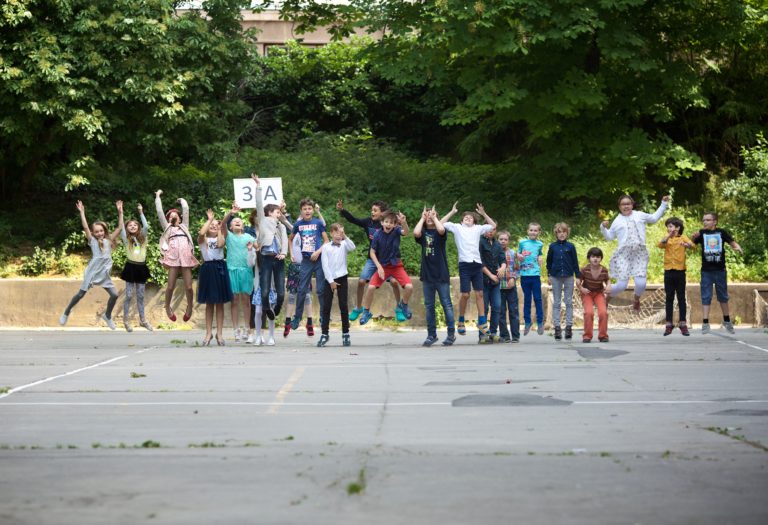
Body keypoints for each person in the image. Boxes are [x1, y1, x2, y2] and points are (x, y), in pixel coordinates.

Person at [60, 200, 122, 329]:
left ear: (104, 231)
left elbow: (120, 228)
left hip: (104, 273)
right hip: (93, 272)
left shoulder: (109, 240)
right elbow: (85, 227)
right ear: (93, 233)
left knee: (115, 295)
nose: (99, 233)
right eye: (97, 231)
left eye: (101, 231)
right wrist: (82, 212)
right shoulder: (92, 241)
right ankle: (66, 311)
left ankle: (107, 316)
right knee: (80, 294)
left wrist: (120, 212)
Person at [336, 199, 403, 321]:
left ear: (382, 213)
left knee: (393, 282)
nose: (372, 212)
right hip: (372, 259)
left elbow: (399, 228)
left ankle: (399, 307)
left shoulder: (387, 224)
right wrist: (342, 210)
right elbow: (353, 219)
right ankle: (358, 307)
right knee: (361, 281)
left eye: (375, 210)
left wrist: (401, 221)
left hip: (387, 260)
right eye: (372, 210)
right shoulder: (368, 222)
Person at [601, 194, 670, 310]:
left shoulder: (639, 215)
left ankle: (636, 299)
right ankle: (606, 296)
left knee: (641, 284)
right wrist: (603, 228)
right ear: (619, 207)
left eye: (628, 204)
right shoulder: (617, 221)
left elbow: (653, 218)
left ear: (632, 205)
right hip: (624, 255)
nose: (626, 206)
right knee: (621, 285)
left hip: (639, 254)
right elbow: (609, 237)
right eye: (623, 204)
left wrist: (663, 204)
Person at [440, 201, 497, 340]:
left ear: (474, 221)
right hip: (464, 265)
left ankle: (482, 322)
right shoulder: (457, 227)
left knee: (480, 294)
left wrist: (483, 213)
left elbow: (493, 226)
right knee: (465, 294)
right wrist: (452, 212)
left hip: (476, 264)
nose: (468, 218)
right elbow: (440, 223)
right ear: (462, 219)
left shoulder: (478, 228)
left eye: (471, 217)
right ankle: (460, 320)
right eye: (465, 217)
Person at [691, 212, 743, 334]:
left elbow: (732, 242)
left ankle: (727, 321)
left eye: (708, 220)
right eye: (704, 220)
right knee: (706, 296)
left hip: (720, 270)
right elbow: (692, 245)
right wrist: (693, 237)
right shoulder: (701, 233)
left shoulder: (721, 232)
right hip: (706, 271)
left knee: (723, 296)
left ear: (715, 222)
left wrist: (738, 247)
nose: (705, 222)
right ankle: (705, 323)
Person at [359, 211, 413, 325]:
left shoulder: (397, 230)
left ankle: (403, 305)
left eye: (391, 223)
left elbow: (406, 232)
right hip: (383, 266)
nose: (389, 224)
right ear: (382, 222)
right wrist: (378, 266)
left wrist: (404, 222)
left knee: (409, 287)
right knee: (370, 288)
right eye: (386, 222)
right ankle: (366, 312)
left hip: (396, 265)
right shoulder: (377, 235)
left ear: (394, 224)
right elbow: (372, 252)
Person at [413, 206, 456, 347]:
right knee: (429, 306)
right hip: (427, 276)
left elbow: (442, 229)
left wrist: (434, 217)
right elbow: (416, 232)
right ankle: (432, 335)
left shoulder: (440, 233)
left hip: (441, 274)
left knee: (446, 305)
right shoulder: (423, 232)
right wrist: (422, 218)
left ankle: (451, 334)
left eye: (434, 215)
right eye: (428, 216)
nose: (430, 217)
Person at [155, 189, 199, 322]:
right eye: (170, 216)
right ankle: (167, 307)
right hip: (173, 258)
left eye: (176, 215)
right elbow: (159, 212)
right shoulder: (167, 227)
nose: (173, 217)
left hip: (185, 257)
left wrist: (183, 202)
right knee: (170, 286)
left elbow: (186, 211)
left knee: (189, 287)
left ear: (180, 218)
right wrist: (157, 196)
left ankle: (190, 307)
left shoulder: (184, 226)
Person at [289, 198, 329, 334]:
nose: (307, 211)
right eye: (305, 209)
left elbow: (326, 241)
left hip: (318, 260)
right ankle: (298, 317)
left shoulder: (318, 223)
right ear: (301, 211)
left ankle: (324, 316)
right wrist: (291, 253)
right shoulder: (298, 225)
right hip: (306, 261)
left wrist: (318, 252)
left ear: (313, 210)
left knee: (321, 290)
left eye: (309, 209)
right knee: (301, 289)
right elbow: (290, 239)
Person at [197, 209, 233, 346]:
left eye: (215, 225)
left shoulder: (221, 237)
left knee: (220, 304)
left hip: (219, 269)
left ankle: (219, 333)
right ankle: (208, 333)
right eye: (210, 225)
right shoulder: (202, 239)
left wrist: (219, 228)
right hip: (208, 269)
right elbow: (201, 232)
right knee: (209, 304)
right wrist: (210, 220)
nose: (213, 226)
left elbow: (219, 244)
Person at [222, 202, 257, 342]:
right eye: (235, 221)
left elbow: (259, 247)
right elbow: (222, 223)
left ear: (243, 226)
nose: (237, 222)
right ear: (231, 226)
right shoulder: (228, 236)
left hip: (246, 271)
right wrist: (231, 212)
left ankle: (248, 329)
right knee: (234, 300)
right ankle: (236, 329)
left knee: (246, 301)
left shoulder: (249, 237)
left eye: (239, 221)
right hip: (232, 270)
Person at [318, 223, 356, 347]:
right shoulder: (326, 247)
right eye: (336, 232)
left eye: (341, 232)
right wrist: (331, 281)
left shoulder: (345, 244)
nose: (338, 235)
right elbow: (325, 265)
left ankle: (346, 334)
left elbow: (353, 247)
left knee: (343, 306)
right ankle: (324, 334)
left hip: (342, 277)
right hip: (329, 279)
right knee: (326, 307)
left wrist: (345, 235)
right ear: (331, 233)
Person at [119, 202, 153, 332]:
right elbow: (121, 226)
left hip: (141, 268)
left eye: (134, 225)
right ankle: (126, 320)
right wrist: (120, 212)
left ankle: (143, 320)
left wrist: (141, 212)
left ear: (138, 227)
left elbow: (146, 226)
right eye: (129, 225)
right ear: (127, 228)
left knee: (140, 295)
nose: (132, 226)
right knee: (128, 295)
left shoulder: (143, 237)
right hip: (130, 267)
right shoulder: (125, 238)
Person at [658, 217, 694, 336]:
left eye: (671, 226)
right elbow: (660, 244)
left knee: (681, 298)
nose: (669, 228)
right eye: (668, 226)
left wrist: (687, 245)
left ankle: (683, 323)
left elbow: (693, 246)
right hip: (668, 271)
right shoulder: (667, 239)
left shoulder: (683, 238)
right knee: (669, 297)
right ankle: (669, 324)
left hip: (680, 271)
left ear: (678, 228)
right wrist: (668, 236)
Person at [546, 222, 580, 341]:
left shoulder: (571, 246)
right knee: (556, 302)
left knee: (569, 301)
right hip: (555, 276)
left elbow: (575, 262)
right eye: (559, 232)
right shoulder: (552, 246)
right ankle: (557, 328)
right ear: (556, 233)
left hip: (569, 276)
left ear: (567, 233)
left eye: (563, 232)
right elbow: (548, 261)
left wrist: (578, 276)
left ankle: (569, 327)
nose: (561, 234)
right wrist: (549, 274)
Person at [578, 247, 611, 343]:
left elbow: (607, 280)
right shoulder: (585, 269)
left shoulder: (604, 270)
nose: (595, 259)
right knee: (589, 313)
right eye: (593, 257)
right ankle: (587, 336)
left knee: (603, 313)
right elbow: (578, 281)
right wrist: (581, 288)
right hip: (587, 293)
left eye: (598, 257)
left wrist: (608, 285)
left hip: (599, 293)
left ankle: (603, 335)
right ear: (589, 258)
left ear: (601, 258)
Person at [480, 226, 506, 343]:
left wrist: (502, 268)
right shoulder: (479, 241)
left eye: (493, 230)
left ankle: (493, 333)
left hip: (496, 282)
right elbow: (479, 262)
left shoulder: (497, 245)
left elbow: (503, 259)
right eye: (488, 229)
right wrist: (491, 275)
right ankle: (483, 335)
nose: (491, 232)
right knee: (483, 308)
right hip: (483, 280)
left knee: (497, 307)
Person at [518, 222, 545, 335]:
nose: (533, 232)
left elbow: (539, 254)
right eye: (531, 230)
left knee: (538, 299)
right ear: (527, 231)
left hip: (535, 275)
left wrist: (540, 258)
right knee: (527, 299)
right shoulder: (522, 242)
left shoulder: (540, 244)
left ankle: (540, 323)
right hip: (524, 275)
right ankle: (527, 322)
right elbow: (518, 255)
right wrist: (519, 257)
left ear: (539, 232)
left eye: (535, 230)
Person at [497, 231, 520, 343]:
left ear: (508, 241)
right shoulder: (494, 253)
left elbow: (517, 268)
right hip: (499, 287)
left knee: (513, 311)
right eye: (501, 239)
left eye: (505, 239)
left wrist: (513, 278)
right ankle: (504, 335)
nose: (503, 241)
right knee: (501, 312)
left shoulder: (512, 253)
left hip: (511, 287)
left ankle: (515, 336)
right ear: (497, 240)